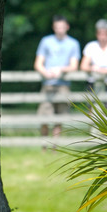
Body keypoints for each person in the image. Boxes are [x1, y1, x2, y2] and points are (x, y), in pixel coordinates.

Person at [33, 15, 81, 150]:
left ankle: (55, 148)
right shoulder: (46, 41)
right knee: (44, 116)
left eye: (62, 27)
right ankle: (43, 147)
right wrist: (45, 73)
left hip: (63, 85)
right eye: (57, 27)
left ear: (67, 27)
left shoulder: (73, 43)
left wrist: (61, 70)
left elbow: (74, 66)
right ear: (54, 28)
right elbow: (38, 63)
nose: (59, 30)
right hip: (48, 84)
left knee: (60, 117)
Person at [80, 19, 107, 109]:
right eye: (100, 34)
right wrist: (93, 68)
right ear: (97, 34)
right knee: (92, 109)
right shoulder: (91, 46)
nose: (103, 37)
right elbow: (83, 66)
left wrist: (105, 70)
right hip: (93, 82)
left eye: (105, 34)